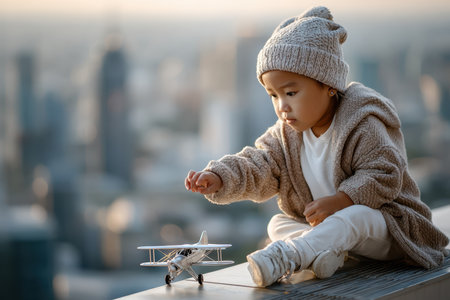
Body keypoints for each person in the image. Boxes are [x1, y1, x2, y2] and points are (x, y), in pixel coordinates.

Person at [184, 6, 449, 287]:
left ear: (329, 85)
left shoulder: (361, 124)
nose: (282, 106)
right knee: (276, 224)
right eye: (273, 95)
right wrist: (221, 177)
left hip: (389, 230)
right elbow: (258, 163)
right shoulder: (286, 137)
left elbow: (385, 174)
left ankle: (290, 257)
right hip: (337, 236)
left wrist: (342, 201)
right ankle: (324, 255)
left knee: (355, 216)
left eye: (291, 92)